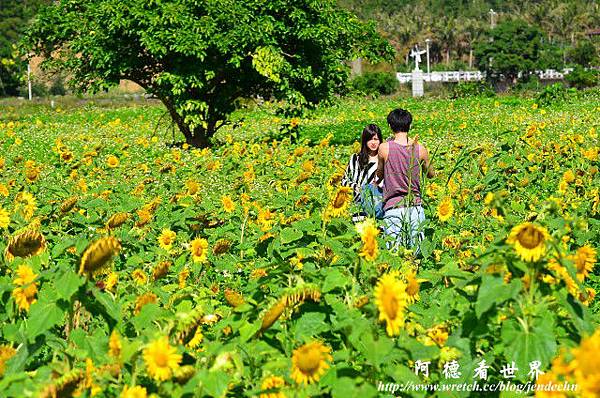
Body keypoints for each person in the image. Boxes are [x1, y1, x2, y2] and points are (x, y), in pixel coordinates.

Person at [375, 108, 435, 253]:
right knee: (417, 256)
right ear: (410, 126)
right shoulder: (420, 149)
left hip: (393, 209)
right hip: (415, 208)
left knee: (395, 257)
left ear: (390, 126)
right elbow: (431, 174)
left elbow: (379, 175)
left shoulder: (384, 148)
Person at [341, 124, 384, 220]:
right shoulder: (355, 159)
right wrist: (358, 188)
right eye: (370, 139)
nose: (373, 143)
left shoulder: (384, 161)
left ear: (380, 140)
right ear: (365, 141)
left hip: (377, 208)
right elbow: (344, 181)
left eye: (376, 139)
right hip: (356, 207)